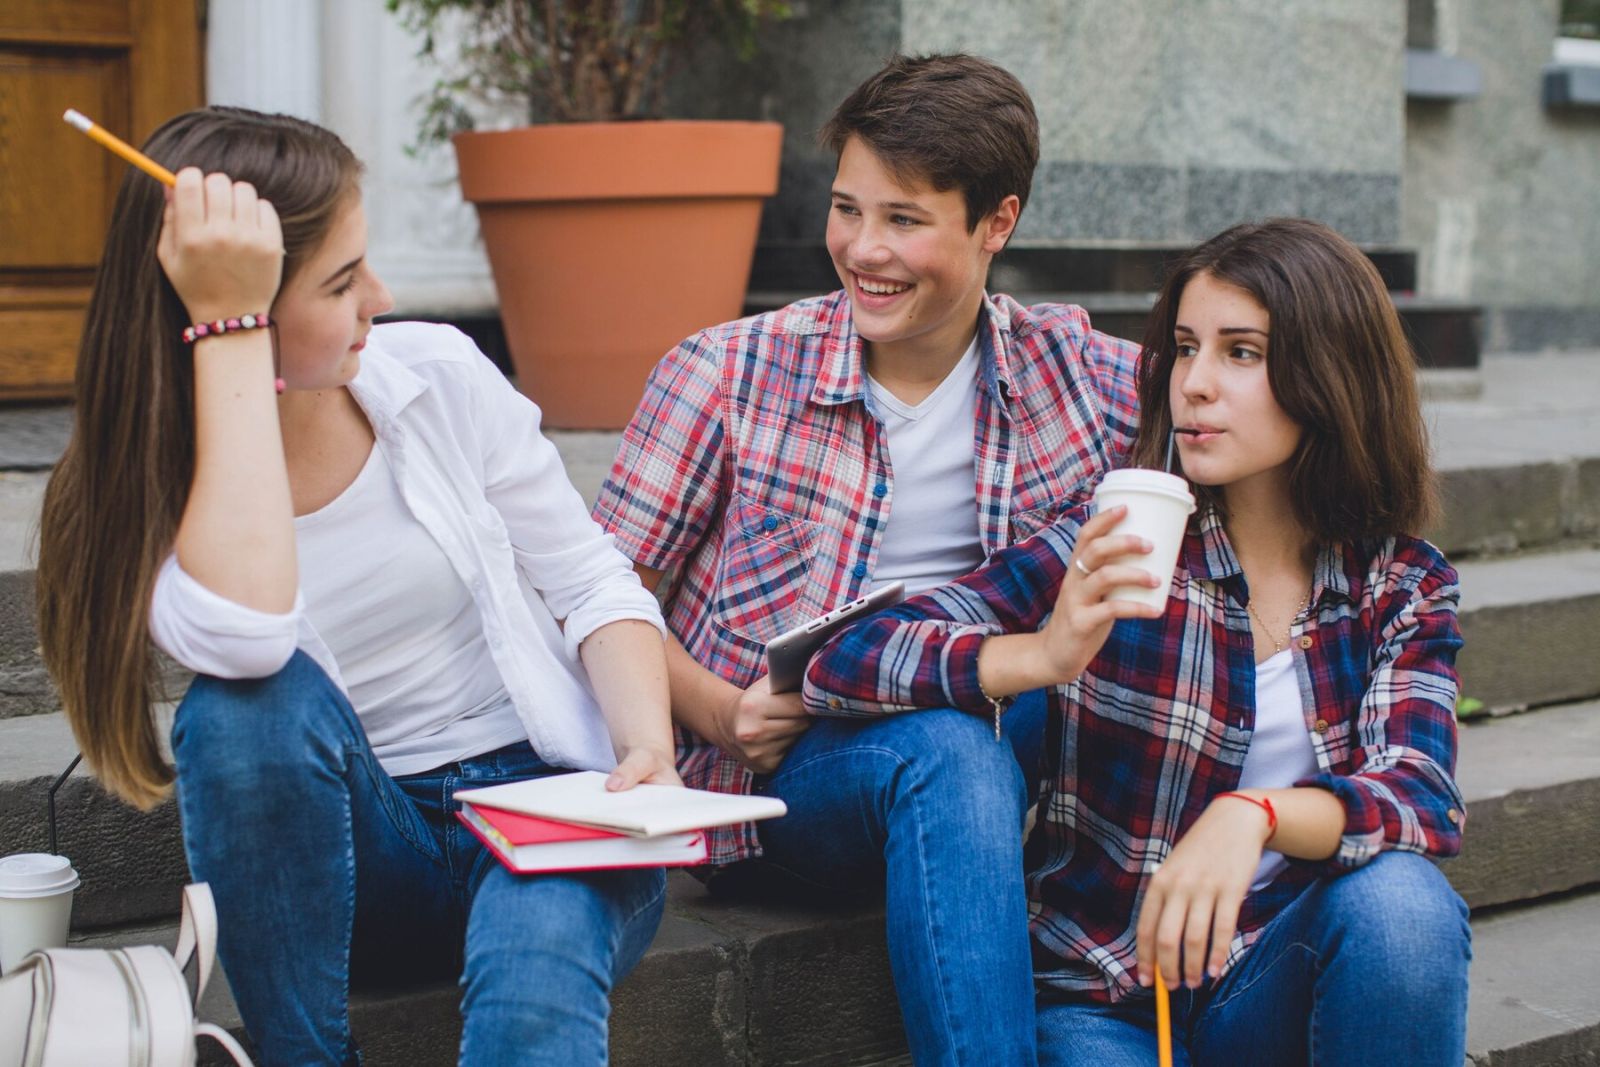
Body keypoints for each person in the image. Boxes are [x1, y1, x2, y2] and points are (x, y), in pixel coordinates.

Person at [34, 106, 677, 1067]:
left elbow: (589, 580)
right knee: (240, 707)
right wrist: (230, 331)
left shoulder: (435, 374)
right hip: (367, 853)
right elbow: (250, 643)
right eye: (341, 281)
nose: (381, 296)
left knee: (539, 958)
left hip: (552, 800)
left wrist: (647, 752)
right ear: (239, 306)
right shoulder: (147, 489)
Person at [804, 217, 1472, 1066]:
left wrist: (1252, 816)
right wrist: (1044, 653)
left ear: (1332, 374)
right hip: (1109, 1000)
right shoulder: (1125, 541)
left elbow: (1419, 796)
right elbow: (849, 657)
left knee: (1404, 907)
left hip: (1269, 974)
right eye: (1186, 347)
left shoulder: (1398, 583)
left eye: (1241, 352)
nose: (1192, 384)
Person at [591, 53, 1139, 1064]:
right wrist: (718, 707)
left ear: (996, 224)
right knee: (950, 751)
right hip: (799, 777)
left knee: (1004, 717)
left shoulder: (1086, 376)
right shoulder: (727, 373)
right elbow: (593, 591)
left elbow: (1238, 407)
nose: (863, 250)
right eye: (848, 210)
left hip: (1013, 737)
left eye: (904, 219)